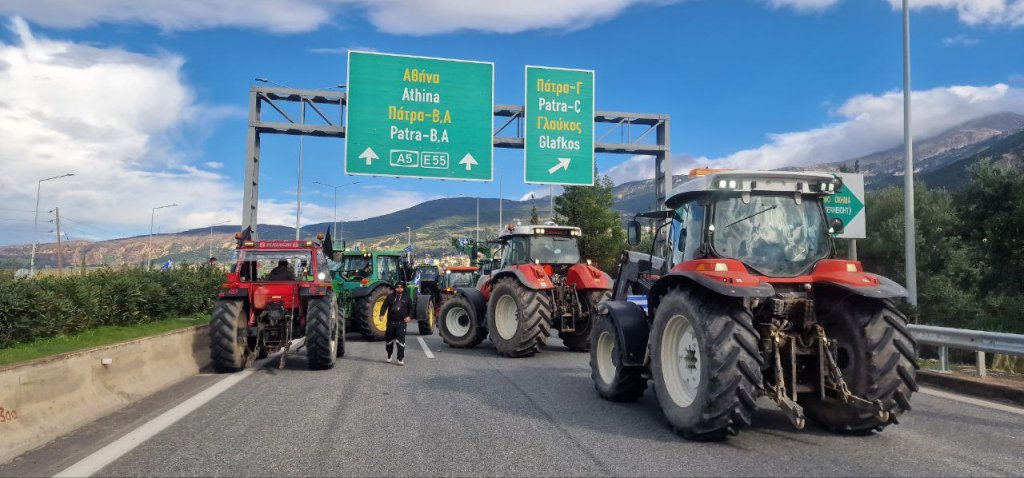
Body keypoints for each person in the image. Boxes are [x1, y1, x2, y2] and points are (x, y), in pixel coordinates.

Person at [380, 281, 412, 365]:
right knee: (389, 341)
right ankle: (389, 354)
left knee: (400, 341)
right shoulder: (390, 297)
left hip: (401, 323)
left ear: (403, 288)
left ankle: (400, 358)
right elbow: (384, 306)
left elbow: (411, 308)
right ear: (395, 288)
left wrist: (409, 316)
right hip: (391, 323)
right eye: (397, 286)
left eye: (401, 286)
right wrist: (381, 315)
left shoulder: (407, 297)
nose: (399, 288)